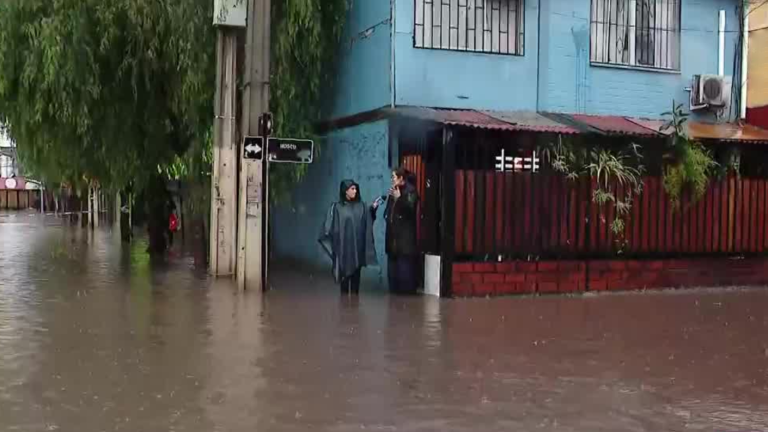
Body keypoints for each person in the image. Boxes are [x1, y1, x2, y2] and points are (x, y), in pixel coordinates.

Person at [319, 180, 378, 295]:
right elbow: (330, 227)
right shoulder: (337, 208)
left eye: (356, 189)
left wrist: (373, 209)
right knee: (344, 290)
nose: (355, 191)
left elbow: (367, 220)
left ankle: (354, 311)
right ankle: (344, 311)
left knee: (356, 289)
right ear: (345, 191)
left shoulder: (361, 206)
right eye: (352, 189)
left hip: (357, 251)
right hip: (344, 253)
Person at [380, 167, 420, 295]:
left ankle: (405, 308)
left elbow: (410, 209)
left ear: (401, 178)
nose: (392, 179)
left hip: (405, 243)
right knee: (393, 279)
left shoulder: (411, 191)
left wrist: (400, 198)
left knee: (405, 280)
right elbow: (389, 211)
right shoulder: (393, 192)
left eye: (394, 177)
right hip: (392, 241)